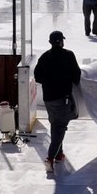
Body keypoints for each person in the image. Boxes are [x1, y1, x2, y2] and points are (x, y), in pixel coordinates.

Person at [33, 30, 81, 172]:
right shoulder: (68, 55)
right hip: (63, 99)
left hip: (48, 99)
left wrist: (49, 82)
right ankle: (50, 158)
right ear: (61, 41)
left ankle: (59, 154)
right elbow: (76, 76)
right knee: (60, 128)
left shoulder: (45, 57)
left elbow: (37, 76)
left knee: (55, 124)